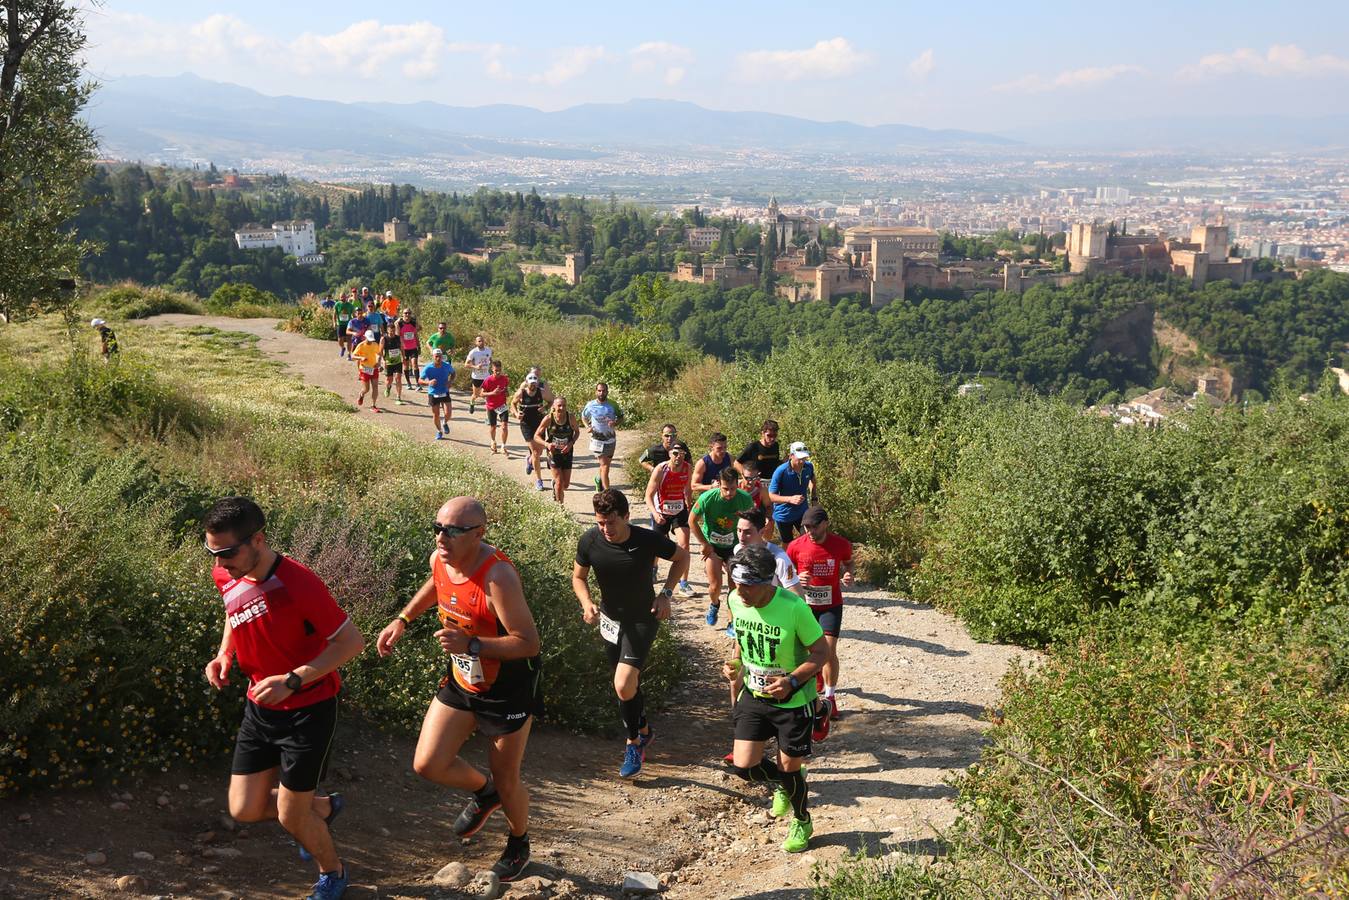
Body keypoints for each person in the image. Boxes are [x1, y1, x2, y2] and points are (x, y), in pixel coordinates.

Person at [202, 496, 366, 899]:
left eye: (227, 553)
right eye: (213, 553)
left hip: (309, 709)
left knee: (292, 816)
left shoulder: (298, 582)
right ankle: (324, 808)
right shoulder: (227, 573)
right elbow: (233, 609)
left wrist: (292, 680)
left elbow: (350, 642)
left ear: (258, 539)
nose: (220, 564)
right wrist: (226, 653)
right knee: (243, 809)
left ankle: (335, 872)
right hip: (260, 708)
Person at [375, 497, 541, 883]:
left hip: (507, 688)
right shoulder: (441, 559)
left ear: (479, 533)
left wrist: (472, 645)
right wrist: (403, 619)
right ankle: (486, 794)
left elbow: (528, 643)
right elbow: (437, 584)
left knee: (508, 777)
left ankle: (519, 842)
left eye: (452, 530)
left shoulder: (497, 577)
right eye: (437, 528)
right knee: (428, 763)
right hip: (464, 679)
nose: (441, 537)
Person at [572, 489, 689, 778]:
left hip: (642, 619)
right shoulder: (590, 541)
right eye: (601, 523)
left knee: (623, 684)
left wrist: (666, 594)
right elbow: (578, 577)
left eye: (611, 522)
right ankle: (644, 729)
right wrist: (587, 603)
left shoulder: (646, 539)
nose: (606, 529)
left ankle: (634, 743)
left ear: (626, 516)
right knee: (625, 686)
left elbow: (682, 558)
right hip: (611, 621)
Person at [722, 544, 828, 854]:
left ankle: (802, 820)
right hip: (754, 695)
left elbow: (821, 652)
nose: (740, 592)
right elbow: (741, 638)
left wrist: (793, 680)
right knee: (743, 766)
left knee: (789, 768)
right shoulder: (735, 600)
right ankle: (786, 779)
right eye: (736, 583)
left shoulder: (794, 608)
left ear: (768, 581)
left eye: (747, 586)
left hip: (794, 701)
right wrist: (736, 664)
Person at [785, 506, 853, 735]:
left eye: (814, 526)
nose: (810, 531)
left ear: (825, 523)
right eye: (806, 527)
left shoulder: (840, 544)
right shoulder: (795, 546)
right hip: (804, 608)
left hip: (831, 605)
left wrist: (848, 574)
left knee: (829, 651)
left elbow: (848, 562)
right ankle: (812, 685)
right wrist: (796, 577)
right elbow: (784, 572)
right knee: (806, 652)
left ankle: (830, 697)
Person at [691, 468, 755, 628]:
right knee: (715, 586)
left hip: (734, 546)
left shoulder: (745, 499)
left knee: (735, 585)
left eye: (733, 488)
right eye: (725, 489)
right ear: (719, 484)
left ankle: (731, 621)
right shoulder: (708, 498)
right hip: (712, 546)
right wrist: (704, 544)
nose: (729, 493)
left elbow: (751, 522)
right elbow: (692, 520)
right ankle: (714, 604)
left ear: (737, 484)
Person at [643, 442, 695, 598]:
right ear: (669, 454)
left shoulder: (687, 468)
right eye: (675, 453)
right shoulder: (661, 469)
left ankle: (684, 583)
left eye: (681, 454)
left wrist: (688, 504)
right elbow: (648, 495)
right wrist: (655, 513)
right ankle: (653, 569)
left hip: (679, 510)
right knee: (656, 546)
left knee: (684, 545)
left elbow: (687, 488)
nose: (678, 457)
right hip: (661, 512)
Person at [735, 420, 781, 538]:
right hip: (756, 483)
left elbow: (773, 463)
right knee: (753, 512)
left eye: (774, 436)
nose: (772, 439)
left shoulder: (776, 446)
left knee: (770, 516)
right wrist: (748, 477)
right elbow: (736, 463)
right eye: (769, 435)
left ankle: (766, 543)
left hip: (771, 483)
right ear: (762, 433)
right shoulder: (753, 447)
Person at [768, 442, 816, 545]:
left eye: (804, 458)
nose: (802, 461)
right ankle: (789, 561)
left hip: (802, 512)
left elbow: (813, 480)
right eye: (799, 458)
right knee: (788, 544)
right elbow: (771, 496)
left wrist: (814, 498)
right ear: (791, 456)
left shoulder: (808, 467)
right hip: (784, 515)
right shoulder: (780, 471)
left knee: (809, 540)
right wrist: (790, 499)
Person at [580, 382, 621, 492]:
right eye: (599, 390)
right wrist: (587, 426)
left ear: (607, 392)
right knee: (604, 466)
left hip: (610, 439)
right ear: (596, 392)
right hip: (597, 440)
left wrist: (615, 423)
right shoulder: (590, 405)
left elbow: (621, 417)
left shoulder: (613, 404)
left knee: (606, 466)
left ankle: (599, 480)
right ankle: (607, 492)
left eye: (603, 391)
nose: (601, 393)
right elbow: (583, 417)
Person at [534, 397, 576, 504]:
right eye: (559, 406)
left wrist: (571, 443)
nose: (562, 408)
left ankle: (555, 485)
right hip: (553, 453)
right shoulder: (548, 419)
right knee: (559, 482)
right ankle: (560, 508)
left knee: (565, 485)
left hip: (567, 452)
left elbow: (577, 432)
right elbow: (536, 436)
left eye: (564, 405)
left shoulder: (570, 418)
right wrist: (547, 444)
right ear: (553, 407)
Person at [512, 374, 548, 491]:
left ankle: (529, 460)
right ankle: (539, 480)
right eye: (531, 383)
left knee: (540, 451)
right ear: (527, 382)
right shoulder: (521, 393)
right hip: (526, 425)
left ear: (537, 383)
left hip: (539, 424)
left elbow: (552, 400)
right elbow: (512, 403)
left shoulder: (541, 392)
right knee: (536, 452)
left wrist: (545, 408)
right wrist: (517, 414)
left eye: (534, 383)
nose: (533, 385)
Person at [421, 348, 455, 440]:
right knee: (436, 415)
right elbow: (420, 380)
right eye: (436, 356)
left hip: (444, 392)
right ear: (433, 357)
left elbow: (453, 373)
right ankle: (439, 431)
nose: (438, 358)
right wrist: (428, 383)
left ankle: (444, 423)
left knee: (448, 413)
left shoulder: (447, 365)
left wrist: (450, 381)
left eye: (440, 356)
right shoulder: (428, 368)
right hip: (433, 393)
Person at [350, 329, 382, 413]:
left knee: (375, 387)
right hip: (364, 369)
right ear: (365, 337)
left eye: (371, 339)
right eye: (369, 339)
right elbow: (352, 356)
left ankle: (373, 405)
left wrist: (378, 363)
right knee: (366, 389)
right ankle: (361, 394)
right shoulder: (361, 345)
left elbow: (379, 354)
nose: (370, 341)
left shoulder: (375, 344)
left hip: (374, 368)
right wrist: (361, 358)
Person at [483, 359, 510, 455]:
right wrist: (492, 393)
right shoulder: (488, 380)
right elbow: (481, 394)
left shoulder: (505, 379)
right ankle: (493, 442)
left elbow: (506, 391)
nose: (498, 372)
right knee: (493, 427)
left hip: (502, 406)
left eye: (499, 370)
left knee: (504, 426)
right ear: (492, 370)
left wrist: (506, 392)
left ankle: (503, 446)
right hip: (491, 406)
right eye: (496, 370)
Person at [465, 335, 493, 416]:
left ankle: (489, 417)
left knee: (487, 397)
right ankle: (472, 403)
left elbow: (490, 359)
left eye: (482, 341)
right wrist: (476, 367)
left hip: (486, 376)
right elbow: (466, 364)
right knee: (476, 395)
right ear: (476, 342)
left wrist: (491, 365)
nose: (481, 342)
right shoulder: (473, 352)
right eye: (479, 341)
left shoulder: (488, 350)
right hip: (476, 377)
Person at [381, 329, 406, 406]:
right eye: (390, 331)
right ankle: (388, 388)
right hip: (388, 363)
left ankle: (398, 397)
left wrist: (404, 358)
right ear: (387, 331)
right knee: (389, 380)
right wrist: (383, 360)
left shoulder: (399, 338)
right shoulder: (384, 339)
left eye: (393, 331)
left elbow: (402, 348)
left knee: (398, 378)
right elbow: (380, 350)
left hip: (398, 362)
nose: (391, 332)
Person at [398, 312, 421, 390]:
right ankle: (408, 383)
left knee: (415, 364)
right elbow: (397, 335)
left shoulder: (413, 323)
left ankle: (418, 383)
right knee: (406, 366)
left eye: (409, 313)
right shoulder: (400, 323)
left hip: (413, 348)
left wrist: (419, 346)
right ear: (403, 314)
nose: (407, 314)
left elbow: (417, 333)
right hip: (404, 349)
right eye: (405, 313)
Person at [332, 294, 355, 358]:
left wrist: (355, 323)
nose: (342, 298)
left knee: (349, 340)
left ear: (346, 297)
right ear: (339, 297)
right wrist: (334, 323)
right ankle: (342, 348)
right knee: (340, 339)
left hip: (348, 325)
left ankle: (349, 354)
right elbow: (334, 314)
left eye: (344, 297)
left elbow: (354, 315)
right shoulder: (337, 304)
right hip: (340, 324)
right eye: (341, 297)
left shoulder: (350, 305)